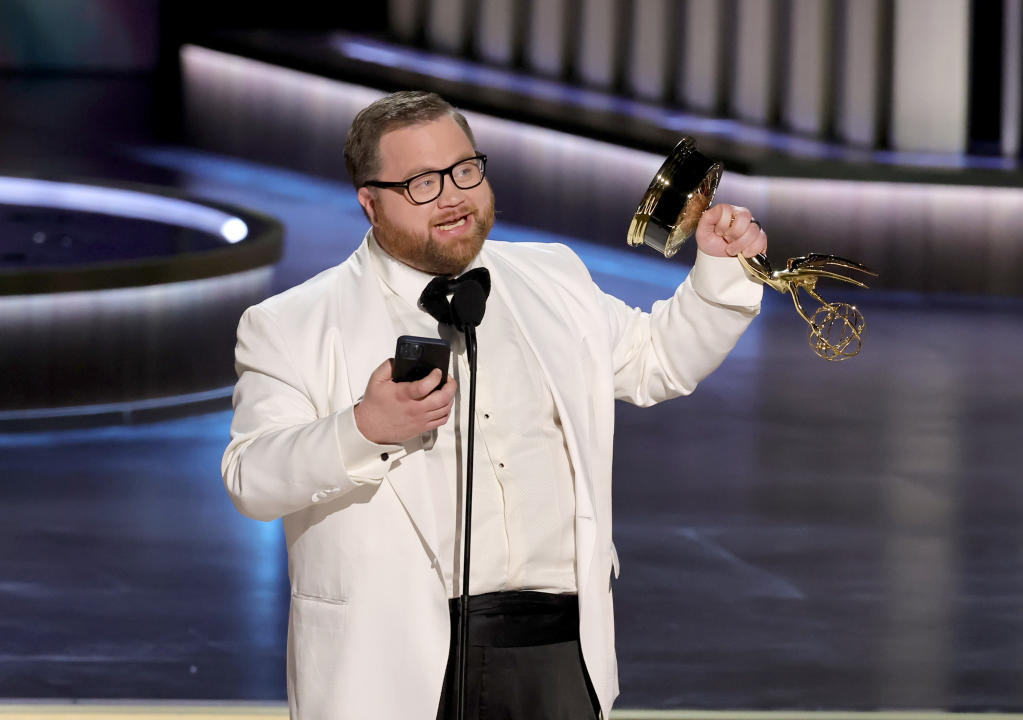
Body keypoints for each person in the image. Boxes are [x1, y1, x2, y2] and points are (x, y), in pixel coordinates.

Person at [221, 90, 767, 720]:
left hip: (557, 647)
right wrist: (362, 429)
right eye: (422, 182)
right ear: (369, 202)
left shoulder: (553, 277)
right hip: (390, 659)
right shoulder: (291, 324)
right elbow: (251, 478)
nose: (453, 196)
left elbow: (656, 362)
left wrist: (719, 273)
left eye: (464, 170)